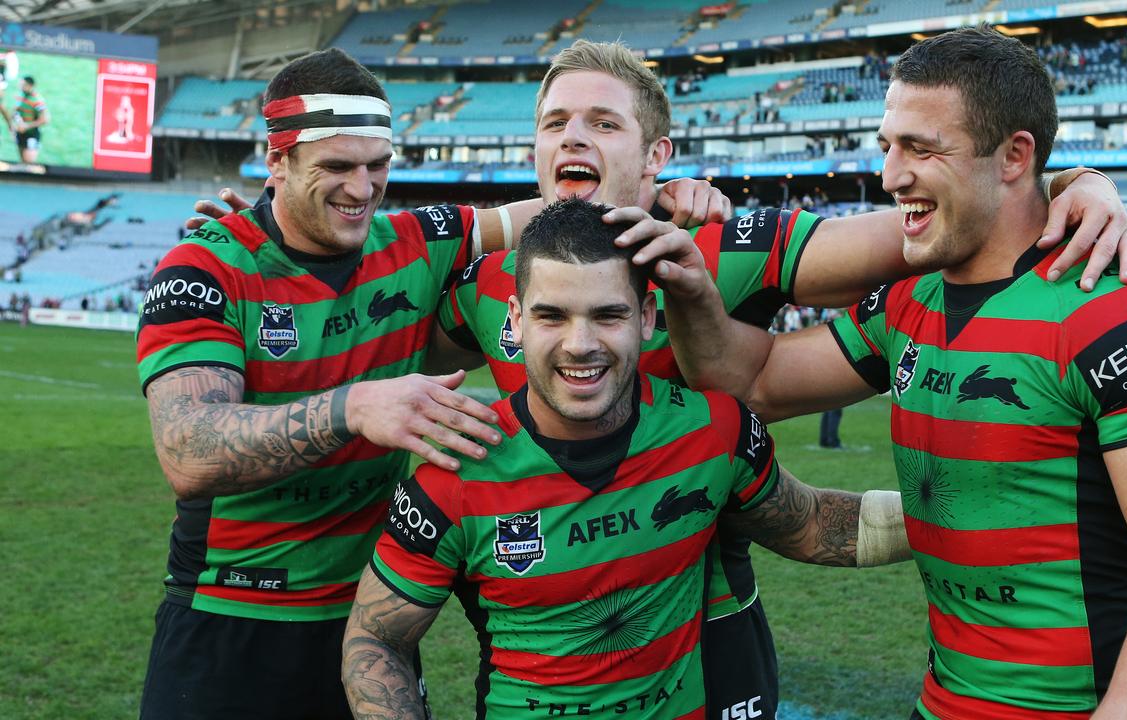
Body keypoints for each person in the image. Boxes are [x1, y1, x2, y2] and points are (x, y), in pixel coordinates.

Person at [659, 26, 1127, 720]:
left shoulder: (1121, 317)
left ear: (1014, 156)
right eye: (888, 145)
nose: (890, 174)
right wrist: (690, 287)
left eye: (921, 148)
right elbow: (754, 380)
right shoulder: (910, 300)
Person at [136, 48, 730, 720]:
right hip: (228, 620)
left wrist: (671, 195)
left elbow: (567, 208)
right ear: (277, 162)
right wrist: (355, 407)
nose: (362, 189)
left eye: (378, 166)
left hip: (371, 617)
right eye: (336, 168)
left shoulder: (420, 241)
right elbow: (187, 450)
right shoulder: (204, 268)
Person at [340, 198, 913, 719]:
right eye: (551, 316)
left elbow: (811, 525)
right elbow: (376, 639)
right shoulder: (455, 474)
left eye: (608, 315)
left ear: (646, 316)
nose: (580, 343)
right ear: (514, 319)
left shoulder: (715, 430)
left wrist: (974, 516)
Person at [12, 75, 47, 164]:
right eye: (20, 85)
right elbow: (15, 112)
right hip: (20, 134)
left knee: (29, 163)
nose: (21, 87)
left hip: (32, 135)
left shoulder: (37, 101)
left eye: (23, 85)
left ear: (31, 86)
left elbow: (44, 120)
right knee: (23, 162)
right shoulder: (20, 96)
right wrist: (18, 122)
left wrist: (26, 126)